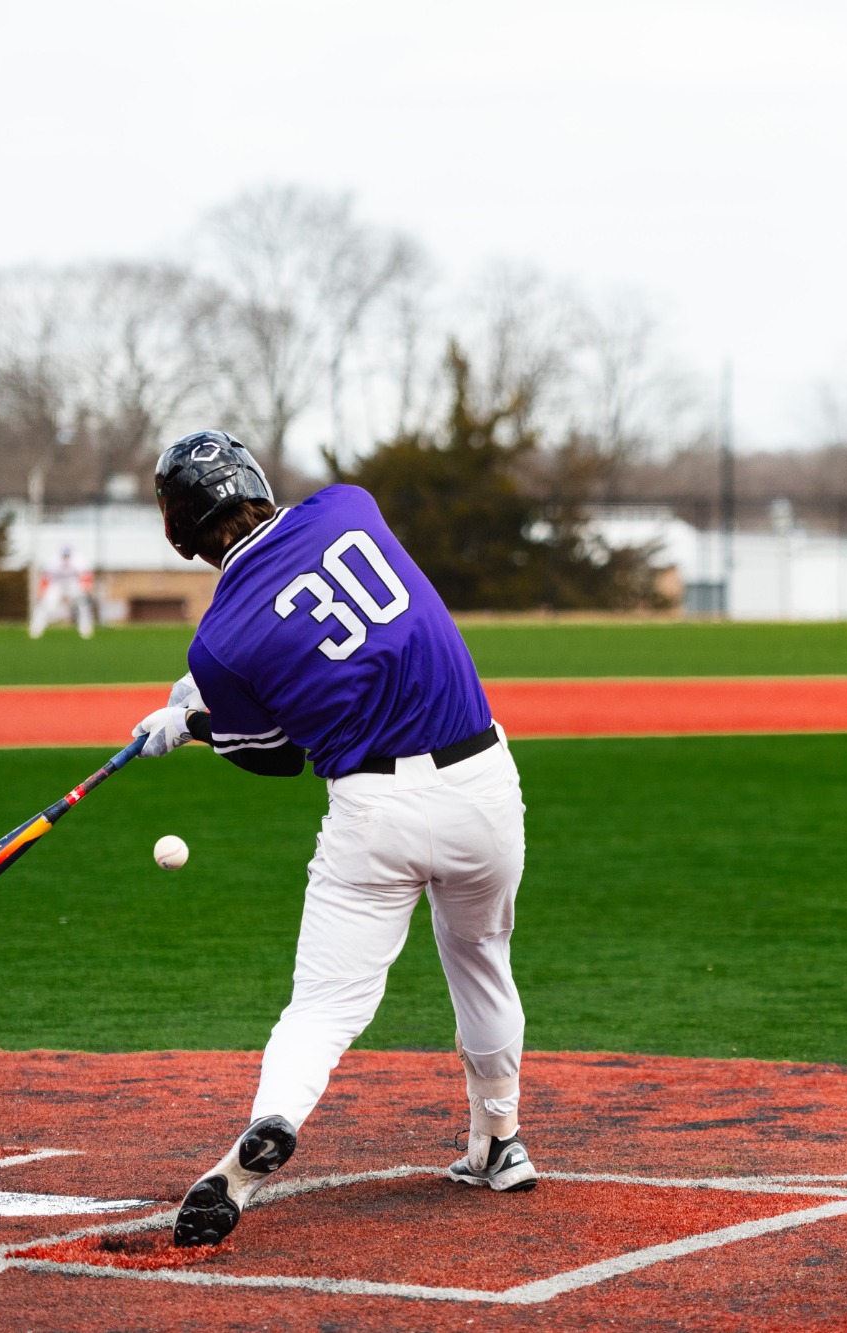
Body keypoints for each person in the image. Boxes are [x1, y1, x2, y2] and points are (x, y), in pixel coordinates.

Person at [129, 430, 536, 1249]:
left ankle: (268, 1125)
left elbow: (277, 757)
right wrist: (212, 699)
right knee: (482, 958)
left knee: (324, 1004)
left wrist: (198, 721)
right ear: (251, 478)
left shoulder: (218, 641)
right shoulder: (351, 506)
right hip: (482, 784)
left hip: (372, 813)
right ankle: (499, 1142)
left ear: (180, 530)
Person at [29, 544, 96, 639]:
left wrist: (86, 588)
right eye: (64, 555)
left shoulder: (80, 560)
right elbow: (46, 577)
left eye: (68, 555)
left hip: (73, 583)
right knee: (46, 605)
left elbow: (86, 576)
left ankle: (85, 630)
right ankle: (36, 630)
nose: (66, 557)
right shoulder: (53, 561)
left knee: (82, 605)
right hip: (57, 583)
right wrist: (42, 590)